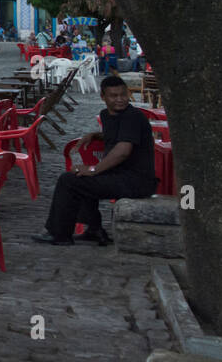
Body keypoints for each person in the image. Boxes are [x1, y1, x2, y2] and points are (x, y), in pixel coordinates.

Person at [33, 75, 158, 246]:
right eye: (114, 96)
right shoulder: (106, 115)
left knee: (68, 181)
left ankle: (59, 233)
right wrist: (94, 135)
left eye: (123, 95)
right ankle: (94, 229)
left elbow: (123, 151)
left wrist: (94, 169)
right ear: (103, 97)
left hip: (137, 180)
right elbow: (115, 134)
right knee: (79, 176)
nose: (120, 99)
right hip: (119, 175)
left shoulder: (133, 116)